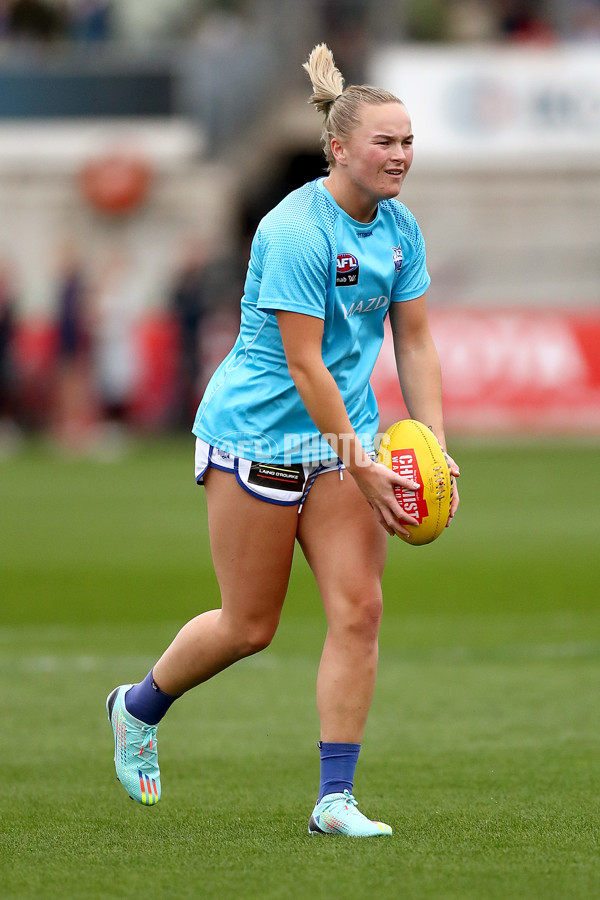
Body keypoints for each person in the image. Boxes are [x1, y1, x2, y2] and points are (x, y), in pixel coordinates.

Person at [107, 43, 460, 837]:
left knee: (359, 610)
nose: (401, 155)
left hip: (342, 440)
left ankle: (335, 799)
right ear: (339, 148)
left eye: (407, 141)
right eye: (385, 141)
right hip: (260, 434)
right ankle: (136, 708)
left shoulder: (400, 229)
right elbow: (305, 365)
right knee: (249, 626)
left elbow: (417, 341)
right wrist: (362, 466)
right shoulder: (297, 231)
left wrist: (433, 443)